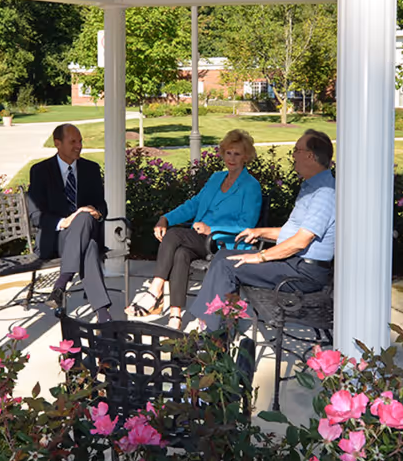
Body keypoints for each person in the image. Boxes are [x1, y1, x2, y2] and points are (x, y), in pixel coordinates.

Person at [188, 129, 335, 331]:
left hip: (303, 272)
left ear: (310, 156)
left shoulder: (325, 193)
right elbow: (291, 233)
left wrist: (260, 256)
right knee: (223, 256)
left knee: (228, 266)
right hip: (293, 262)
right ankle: (214, 324)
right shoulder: (312, 187)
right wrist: (259, 232)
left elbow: (301, 241)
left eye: (296, 150)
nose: (293, 156)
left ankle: (211, 333)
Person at [127, 129, 263, 329]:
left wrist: (212, 228)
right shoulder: (216, 178)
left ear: (246, 157)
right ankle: (175, 316)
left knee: (174, 234)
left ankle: (154, 291)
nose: (232, 158)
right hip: (199, 240)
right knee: (181, 254)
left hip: (224, 242)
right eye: (228, 153)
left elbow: (247, 226)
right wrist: (165, 218)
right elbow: (193, 205)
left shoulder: (251, 186)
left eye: (237, 154)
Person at [26, 124, 113, 322]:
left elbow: (102, 205)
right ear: (58, 144)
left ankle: (61, 285)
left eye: (80, 141)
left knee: (84, 218)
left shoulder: (91, 169)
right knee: (89, 246)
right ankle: (103, 315)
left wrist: (96, 213)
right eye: (73, 142)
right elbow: (35, 215)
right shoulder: (40, 171)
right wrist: (65, 222)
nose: (79, 146)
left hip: (84, 232)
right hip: (54, 239)